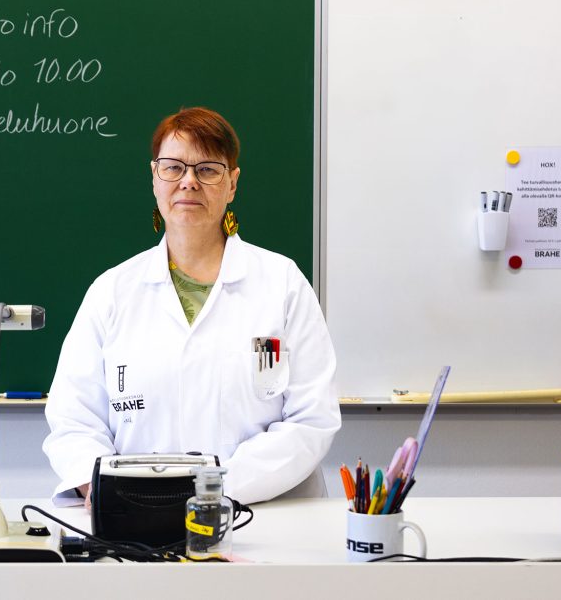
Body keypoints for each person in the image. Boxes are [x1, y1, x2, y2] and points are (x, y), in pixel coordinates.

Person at [42, 107, 341, 508]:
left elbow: (310, 420)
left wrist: (213, 492)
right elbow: (73, 418)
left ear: (232, 184)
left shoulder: (282, 284)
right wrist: (107, 490)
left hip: (263, 517)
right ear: (154, 178)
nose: (188, 182)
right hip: (134, 521)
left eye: (207, 169)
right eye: (173, 168)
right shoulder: (112, 291)